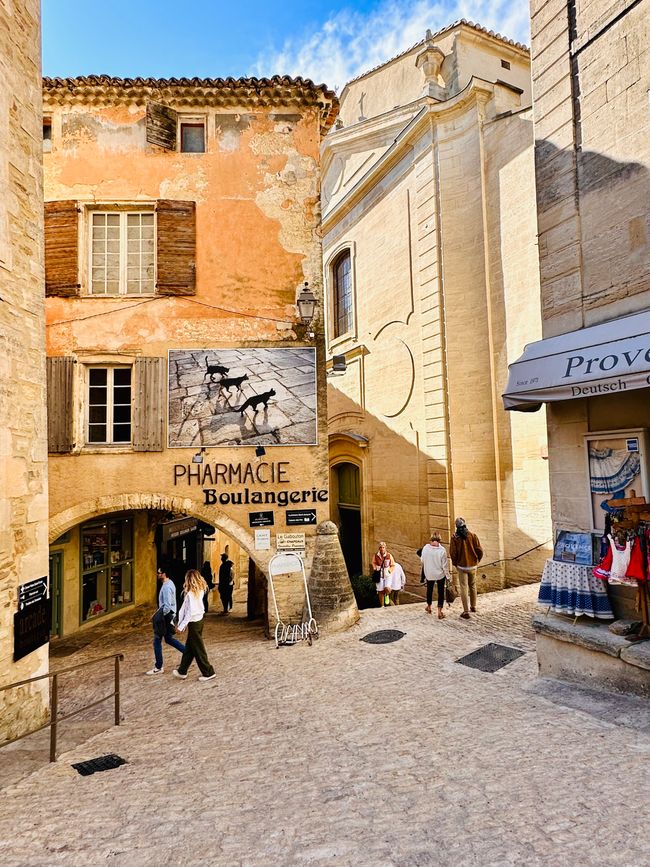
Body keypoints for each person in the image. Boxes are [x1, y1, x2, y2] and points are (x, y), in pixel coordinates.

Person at [173, 569, 216, 681]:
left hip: (194, 623)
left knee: (198, 649)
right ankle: (182, 671)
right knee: (190, 648)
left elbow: (189, 612)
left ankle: (208, 672)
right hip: (199, 620)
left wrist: (181, 626)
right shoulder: (200, 590)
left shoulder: (191, 595)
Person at [145, 565, 186, 675]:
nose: (157, 574)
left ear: (164, 574)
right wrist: (155, 614)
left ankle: (158, 667)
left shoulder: (167, 587)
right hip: (168, 616)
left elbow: (167, 606)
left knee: (157, 641)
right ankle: (188, 653)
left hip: (165, 617)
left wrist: (158, 616)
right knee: (168, 639)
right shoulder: (169, 583)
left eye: (159, 572)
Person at [449, 517, 483, 620]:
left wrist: (455, 563)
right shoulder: (472, 535)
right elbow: (479, 550)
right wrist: (477, 560)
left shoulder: (455, 538)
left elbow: (453, 553)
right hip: (472, 565)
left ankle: (466, 610)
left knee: (463, 587)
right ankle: (473, 606)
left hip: (462, 566)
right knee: (472, 585)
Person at [419, 532, 450, 619]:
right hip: (440, 574)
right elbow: (445, 566)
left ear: (431, 539)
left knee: (429, 590)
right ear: (439, 540)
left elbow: (422, 560)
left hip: (429, 573)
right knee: (440, 592)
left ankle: (429, 607)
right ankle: (440, 612)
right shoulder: (442, 550)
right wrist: (448, 576)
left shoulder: (425, 548)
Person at [372, 541, 394, 607]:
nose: (382, 549)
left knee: (387, 588)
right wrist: (375, 568)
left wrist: (390, 571)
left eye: (383, 547)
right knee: (380, 591)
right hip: (379, 574)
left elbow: (392, 565)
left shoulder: (389, 555)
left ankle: (387, 594)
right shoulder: (376, 555)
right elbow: (373, 563)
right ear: (379, 548)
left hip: (387, 574)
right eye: (381, 547)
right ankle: (382, 605)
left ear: (385, 548)